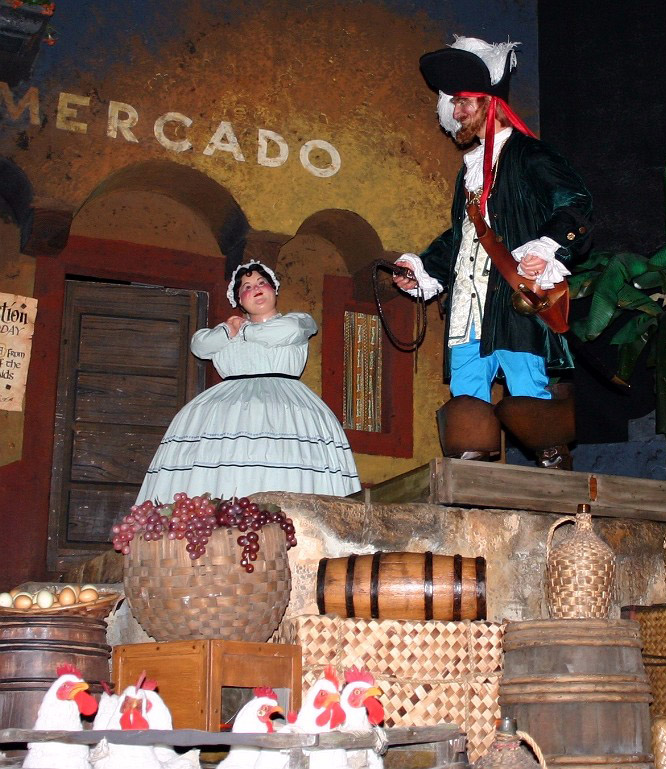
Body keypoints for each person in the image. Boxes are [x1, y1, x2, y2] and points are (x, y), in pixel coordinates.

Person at [393, 36, 593, 469]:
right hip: (468, 306)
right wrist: (423, 268)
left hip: (512, 298)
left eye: (463, 101)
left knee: (526, 384)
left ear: (489, 102)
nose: (455, 112)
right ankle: (472, 475)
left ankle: (553, 472)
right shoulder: (469, 172)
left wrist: (547, 246)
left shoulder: (528, 154)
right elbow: (462, 237)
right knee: (467, 394)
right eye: (452, 103)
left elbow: (574, 203)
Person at [135, 261, 361, 502]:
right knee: (224, 470)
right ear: (239, 301)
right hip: (228, 412)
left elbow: (288, 332)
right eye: (247, 287)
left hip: (286, 409)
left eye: (262, 283)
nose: (257, 289)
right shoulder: (226, 332)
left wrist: (244, 331)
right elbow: (199, 346)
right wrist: (227, 330)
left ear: (274, 290)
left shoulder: (297, 321)